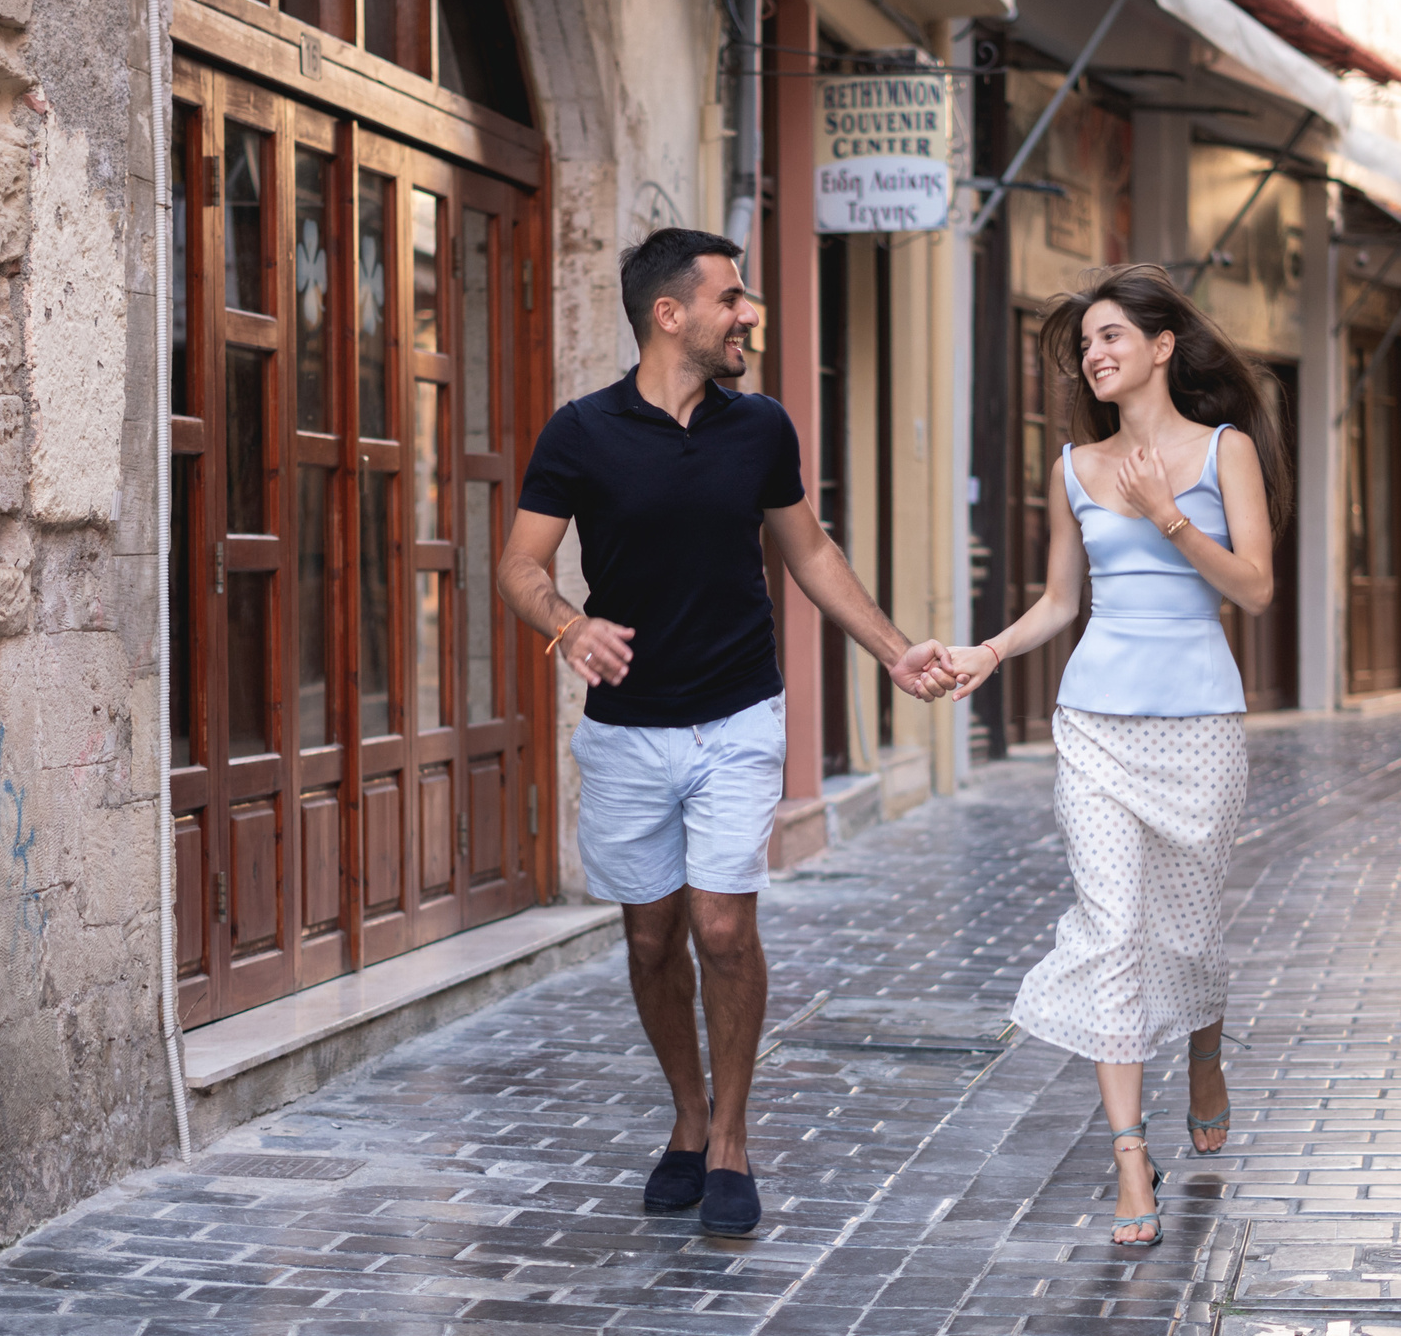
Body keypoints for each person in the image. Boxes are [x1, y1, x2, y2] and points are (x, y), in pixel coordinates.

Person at [497, 228, 956, 1238]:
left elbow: (810, 549)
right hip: (625, 729)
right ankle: (688, 1116)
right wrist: (569, 625)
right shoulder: (580, 433)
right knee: (651, 933)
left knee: (721, 927)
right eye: (732, 298)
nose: (748, 314)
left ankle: (735, 1138)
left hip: (739, 709)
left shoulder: (759, 429)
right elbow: (519, 565)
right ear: (671, 314)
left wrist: (889, 648)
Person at [945, 264, 1290, 1247]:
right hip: (1094, 720)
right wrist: (988, 650)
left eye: (1110, 337)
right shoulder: (1073, 465)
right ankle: (1129, 1154)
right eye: (1086, 343)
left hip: (1199, 723)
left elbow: (1257, 590)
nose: (1095, 355)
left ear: (1161, 345)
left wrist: (1168, 514)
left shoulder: (1225, 452)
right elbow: (1061, 601)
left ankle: (1205, 1045)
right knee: (1114, 929)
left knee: (1186, 930)